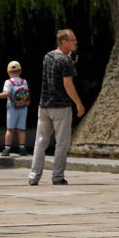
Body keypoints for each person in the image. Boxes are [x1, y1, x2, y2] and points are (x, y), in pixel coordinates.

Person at [29, 28, 85, 187]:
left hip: (44, 105)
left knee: (40, 142)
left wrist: (70, 62)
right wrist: (79, 104)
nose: (76, 42)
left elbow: (54, 73)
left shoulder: (48, 56)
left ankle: (34, 176)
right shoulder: (65, 61)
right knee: (62, 143)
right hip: (60, 107)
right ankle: (58, 176)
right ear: (64, 42)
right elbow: (68, 84)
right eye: (73, 40)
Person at [0, 60, 31, 155]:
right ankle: (22, 148)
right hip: (23, 107)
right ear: (20, 71)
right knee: (21, 129)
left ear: (8, 72)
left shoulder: (8, 82)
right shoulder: (24, 81)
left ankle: (7, 149)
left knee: (10, 129)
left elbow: (6, 93)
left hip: (12, 108)